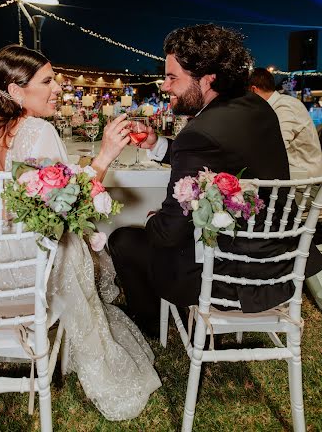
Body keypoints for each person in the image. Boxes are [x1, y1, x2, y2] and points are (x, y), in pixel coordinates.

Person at [0, 44, 160, 421]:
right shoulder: (38, 131)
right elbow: (72, 207)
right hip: (35, 267)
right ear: (15, 91)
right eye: (47, 81)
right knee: (76, 244)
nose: (58, 87)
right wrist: (105, 154)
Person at [109, 24, 322, 337]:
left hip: (231, 275)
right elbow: (221, 157)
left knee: (124, 239)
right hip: (279, 265)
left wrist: (153, 219)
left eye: (172, 77)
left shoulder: (199, 133)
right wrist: (158, 145)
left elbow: (168, 233)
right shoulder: (256, 107)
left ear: (207, 78)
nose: (165, 86)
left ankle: (151, 322)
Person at [249, 68, 322, 179]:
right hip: (294, 177)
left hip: (304, 183)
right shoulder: (277, 104)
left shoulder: (284, 106)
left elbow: (277, 146)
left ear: (253, 90)